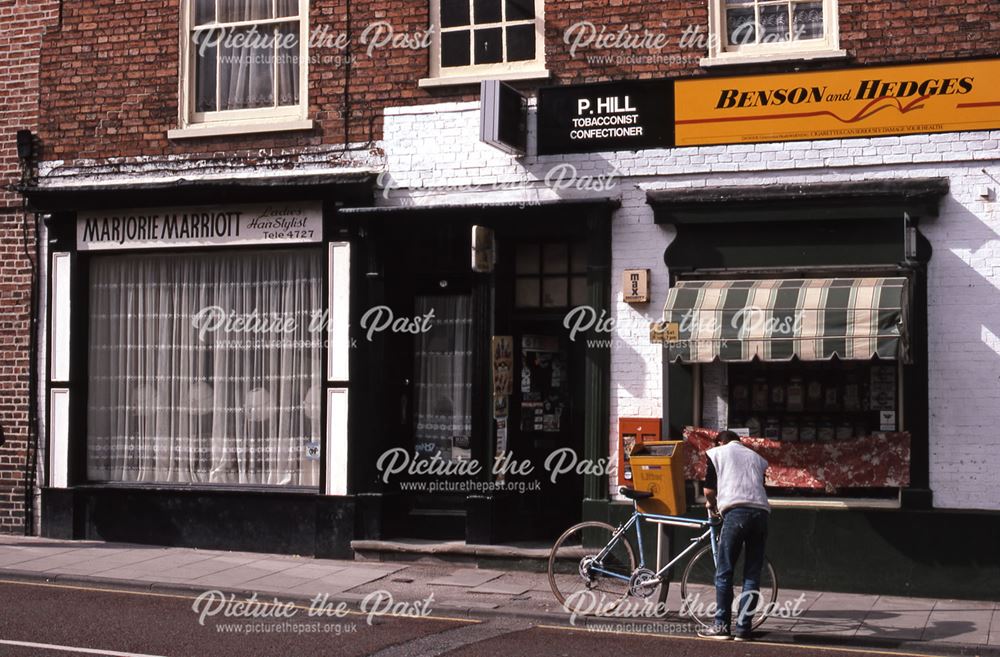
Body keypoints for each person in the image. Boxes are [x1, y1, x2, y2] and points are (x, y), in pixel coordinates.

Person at [697, 430, 770, 641]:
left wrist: (712, 505)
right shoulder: (757, 458)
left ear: (721, 441)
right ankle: (744, 629)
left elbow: (709, 490)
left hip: (736, 512)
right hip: (761, 513)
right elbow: (758, 487)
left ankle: (721, 626)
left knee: (725, 570)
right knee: (752, 573)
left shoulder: (717, 453)